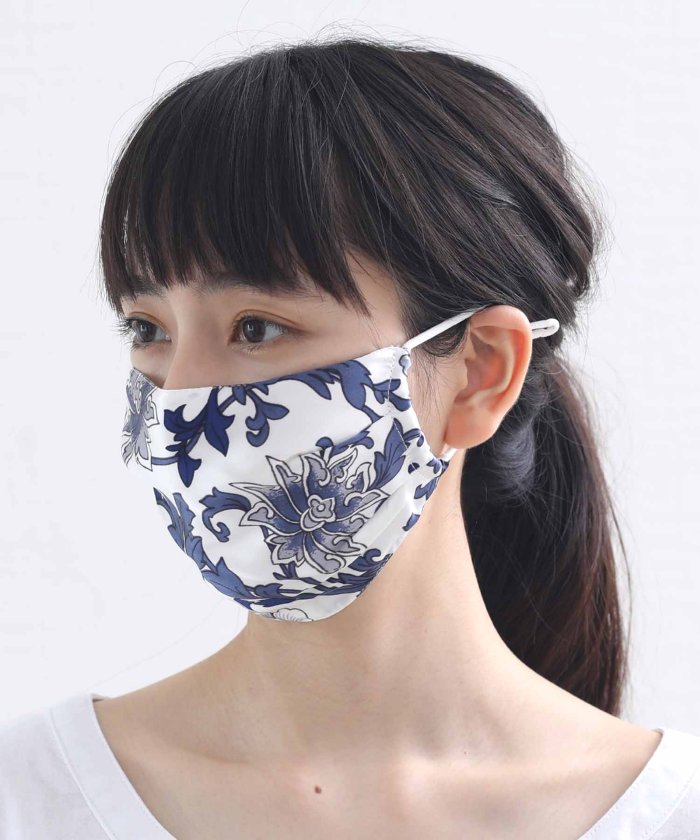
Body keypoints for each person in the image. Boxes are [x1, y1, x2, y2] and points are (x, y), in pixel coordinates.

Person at [1, 35, 699, 840]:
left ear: (480, 373)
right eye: (147, 328)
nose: (178, 401)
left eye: (256, 327)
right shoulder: (28, 798)